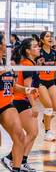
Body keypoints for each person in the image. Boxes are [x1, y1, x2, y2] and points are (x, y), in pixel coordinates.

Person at [0, 35, 27, 172]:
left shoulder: (5, 62)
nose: (6, 44)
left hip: (5, 104)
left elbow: (12, 85)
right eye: (4, 42)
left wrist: (27, 89)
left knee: (20, 135)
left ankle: (16, 169)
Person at [37, 31, 56, 142]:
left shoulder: (55, 53)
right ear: (42, 40)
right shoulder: (38, 53)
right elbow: (34, 69)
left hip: (51, 81)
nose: (50, 38)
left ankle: (45, 121)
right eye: (47, 36)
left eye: (51, 36)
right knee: (49, 107)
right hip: (40, 81)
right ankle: (47, 132)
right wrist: (39, 64)